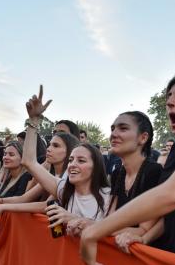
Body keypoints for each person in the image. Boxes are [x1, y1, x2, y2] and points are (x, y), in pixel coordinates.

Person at [78, 70, 175, 265]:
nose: (170, 102)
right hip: (169, 261)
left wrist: (96, 230)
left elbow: (172, 196)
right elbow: (172, 211)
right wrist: (145, 237)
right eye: (169, 96)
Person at [68, 111, 162, 252]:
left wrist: (92, 226)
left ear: (143, 138)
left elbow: (143, 230)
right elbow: (111, 221)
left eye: (123, 128)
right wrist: (83, 223)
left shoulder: (153, 171)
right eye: (113, 129)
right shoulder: (119, 172)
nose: (113, 134)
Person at [19, 86, 110, 229]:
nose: (73, 165)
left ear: (96, 166)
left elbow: (114, 232)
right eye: (71, 160)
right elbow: (28, 162)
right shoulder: (64, 190)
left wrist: (77, 219)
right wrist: (33, 121)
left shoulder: (108, 197)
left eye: (81, 161)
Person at [0, 132, 80, 229]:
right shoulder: (51, 174)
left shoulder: (68, 176)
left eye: (56, 146)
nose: (49, 148)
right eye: (50, 144)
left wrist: (2, 206)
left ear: (70, 151)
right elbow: (25, 198)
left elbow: (47, 205)